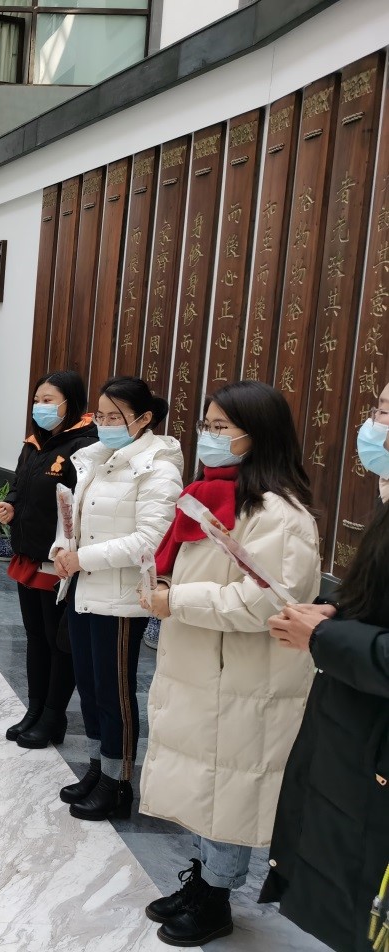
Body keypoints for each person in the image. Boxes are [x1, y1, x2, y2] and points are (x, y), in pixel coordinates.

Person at [135, 380, 320, 946]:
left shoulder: (280, 514)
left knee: (228, 788)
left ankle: (216, 899)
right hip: (207, 668)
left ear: (256, 435)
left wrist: (176, 600)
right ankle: (202, 880)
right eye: (207, 426)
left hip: (242, 677)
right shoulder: (219, 495)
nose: (209, 437)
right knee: (206, 784)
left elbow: (266, 602)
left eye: (221, 428)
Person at [259, 382, 389, 952]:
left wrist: (326, 636)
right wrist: (337, 611)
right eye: (378, 409)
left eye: (387, 413)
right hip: (353, 728)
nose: (376, 426)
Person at [53, 375, 181, 820]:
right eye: (101, 416)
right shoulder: (97, 458)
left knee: (115, 693)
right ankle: (97, 768)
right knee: (89, 687)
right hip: (84, 589)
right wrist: (62, 548)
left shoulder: (158, 469)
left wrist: (82, 558)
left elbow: (149, 539)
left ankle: (118, 783)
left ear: (143, 419)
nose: (105, 424)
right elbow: (76, 517)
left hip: (121, 598)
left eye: (115, 417)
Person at [0, 370, 98, 748]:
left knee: (59, 642)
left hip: (58, 561)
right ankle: (35, 709)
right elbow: (21, 486)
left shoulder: (86, 446)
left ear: (71, 403)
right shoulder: (34, 443)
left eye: (49, 400)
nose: (41, 407)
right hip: (29, 554)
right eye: (37, 400)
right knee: (36, 637)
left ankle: (54, 716)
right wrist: (10, 504)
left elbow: (84, 504)